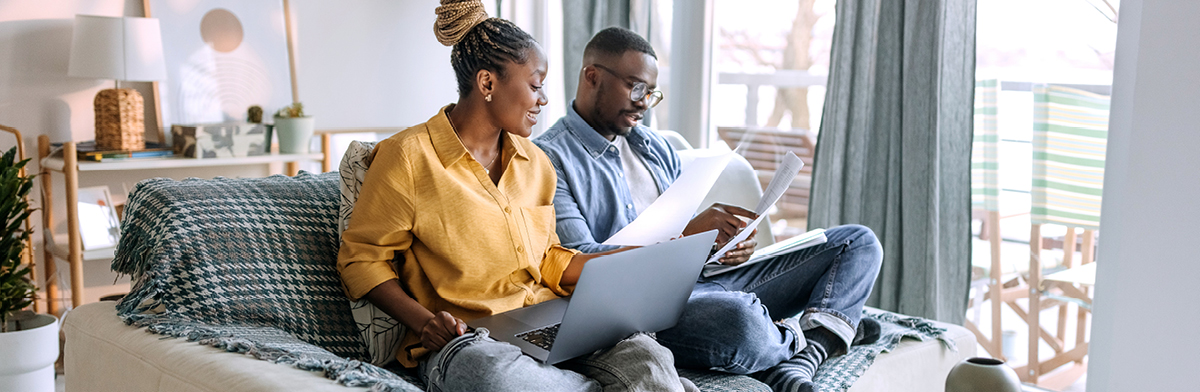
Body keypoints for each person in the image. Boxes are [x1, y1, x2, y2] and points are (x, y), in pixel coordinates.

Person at [336, 4, 694, 391]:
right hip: (470, 339)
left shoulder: (536, 162)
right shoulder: (407, 156)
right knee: (495, 377)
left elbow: (548, 259)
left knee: (646, 353)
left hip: (548, 319)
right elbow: (362, 260)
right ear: (487, 84)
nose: (543, 100)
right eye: (536, 85)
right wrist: (424, 322)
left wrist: (627, 260)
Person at [533, 27, 884, 392]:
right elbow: (580, 263)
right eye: (637, 88)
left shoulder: (654, 147)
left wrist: (719, 248)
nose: (643, 103)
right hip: (640, 310)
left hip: (703, 283)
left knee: (857, 242)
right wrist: (685, 237)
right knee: (740, 320)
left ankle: (801, 350)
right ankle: (822, 335)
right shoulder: (548, 160)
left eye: (651, 94)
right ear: (592, 76)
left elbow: (683, 243)